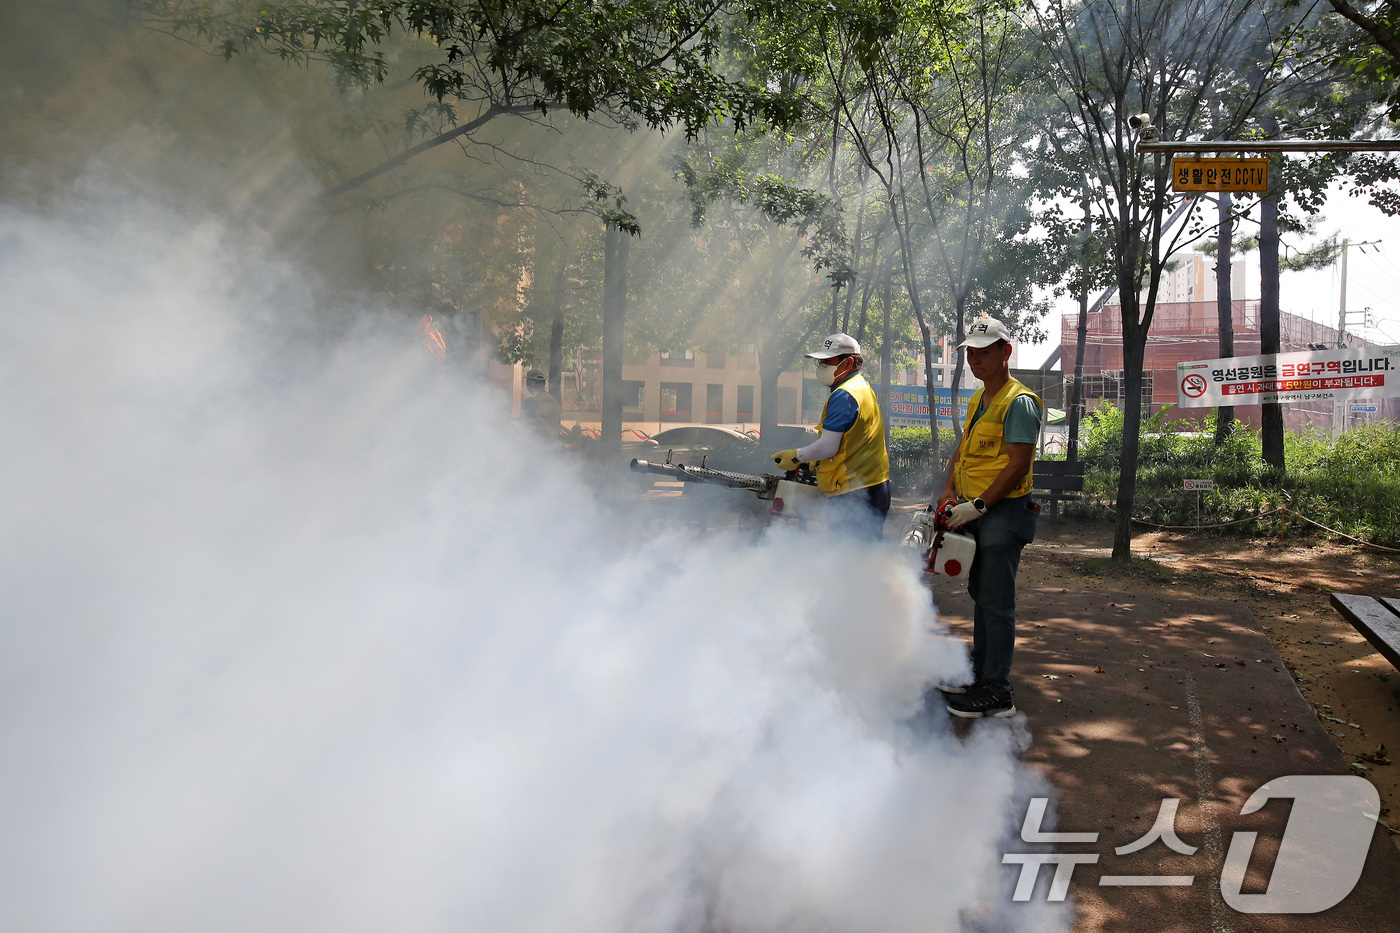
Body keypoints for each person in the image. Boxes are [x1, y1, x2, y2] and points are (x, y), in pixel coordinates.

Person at [934, 317, 1042, 719]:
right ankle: (980, 676)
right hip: (977, 511)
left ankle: (997, 692)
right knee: (982, 596)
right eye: (971, 352)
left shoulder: (1020, 402)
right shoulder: (979, 400)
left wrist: (978, 506)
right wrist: (949, 490)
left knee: (996, 603)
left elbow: (1017, 465)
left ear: (1005, 352)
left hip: (1004, 512)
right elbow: (963, 451)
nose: (975, 358)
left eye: (983, 351)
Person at [771, 333, 891, 540]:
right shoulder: (862, 387)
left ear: (849, 362)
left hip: (854, 494)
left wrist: (796, 456)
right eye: (821, 362)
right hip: (872, 486)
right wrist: (815, 463)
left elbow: (828, 446)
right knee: (861, 556)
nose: (821, 367)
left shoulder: (844, 395)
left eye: (828, 362)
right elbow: (854, 442)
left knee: (848, 560)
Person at [520, 369, 562, 439]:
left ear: (529, 384)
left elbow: (525, 429)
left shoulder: (530, 402)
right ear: (544, 384)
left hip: (536, 446)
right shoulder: (554, 402)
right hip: (552, 444)